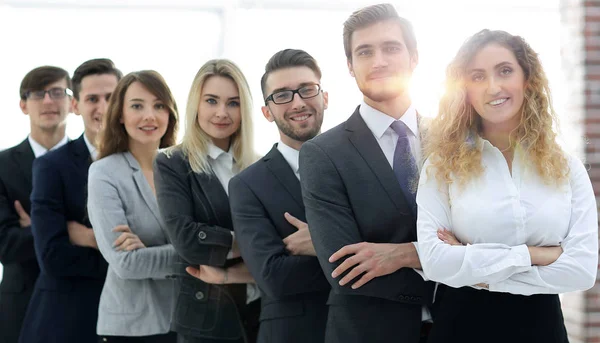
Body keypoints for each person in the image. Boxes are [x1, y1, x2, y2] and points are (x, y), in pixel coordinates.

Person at [416, 29, 598, 343]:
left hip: (543, 332)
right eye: (477, 76)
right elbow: (436, 263)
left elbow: (580, 270)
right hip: (461, 331)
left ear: (527, 80)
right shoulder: (441, 166)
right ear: (464, 90)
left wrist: (478, 274)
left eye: (504, 70)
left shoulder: (567, 168)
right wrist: (533, 255)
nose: (493, 87)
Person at [298, 4, 436, 343]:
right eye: (365, 52)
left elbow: (488, 241)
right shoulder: (322, 154)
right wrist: (452, 276)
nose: (379, 61)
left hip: (462, 327)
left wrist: (406, 255)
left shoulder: (457, 140)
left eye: (391, 48)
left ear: (414, 57)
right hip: (368, 332)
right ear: (349, 66)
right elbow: (345, 270)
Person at [154, 59, 260, 343]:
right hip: (206, 318)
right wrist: (255, 243)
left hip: (261, 311)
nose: (221, 113)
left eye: (233, 103)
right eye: (211, 101)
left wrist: (231, 243)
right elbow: (186, 239)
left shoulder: (259, 165)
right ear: (196, 105)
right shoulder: (172, 162)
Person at [228, 49, 330, 343]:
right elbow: (274, 277)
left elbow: (391, 244)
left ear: (324, 97)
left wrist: (323, 242)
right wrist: (359, 251)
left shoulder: (360, 163)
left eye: (307, 90)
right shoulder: (247, 185)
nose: (297, 102)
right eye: (282, 95)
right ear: (267, 112)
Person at [19, 58, 121, 343]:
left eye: (110, 97)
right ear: (76, 106)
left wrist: (91, 238)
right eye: (92, 99)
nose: (102, 107)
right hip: (67, 321)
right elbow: (53, 256)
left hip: (134, 321)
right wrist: (129, 259)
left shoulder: (152, 163)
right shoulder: (53, 166)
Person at [87, 70, 180, 343]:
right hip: (132, 327)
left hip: (189, 318)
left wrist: (151, 252)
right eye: (137, 106)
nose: (149, 115)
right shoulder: (104, 172)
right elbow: (125, 264)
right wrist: (195, 252)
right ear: (120, 114)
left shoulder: (184, 167)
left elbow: (213, 237)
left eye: (159, 105)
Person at [0, 65, 71, 343]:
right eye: (38, 94)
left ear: (72, 101)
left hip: (83, 301)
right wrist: (68, 229)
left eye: (57, 92)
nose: (49, 101)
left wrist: (36, 226)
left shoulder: (95, 163)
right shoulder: (2, 166)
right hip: (21, 305)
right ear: (23, 105)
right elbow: (5, 245)